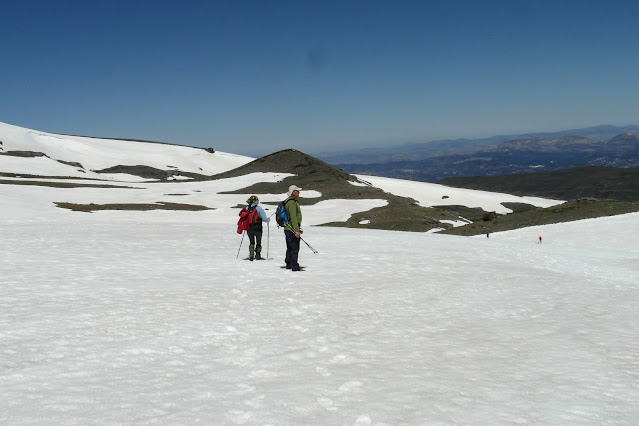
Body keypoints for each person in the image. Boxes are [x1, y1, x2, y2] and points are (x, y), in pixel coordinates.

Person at [283, 185, 303, 271]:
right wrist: (296, 230)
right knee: (295, 248)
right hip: (292, 229)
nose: (299, 193)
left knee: (290, 247)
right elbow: (293, 217)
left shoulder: (287, 201)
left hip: (288, 228)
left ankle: (289, 264)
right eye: (297, 191)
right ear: (293, 192)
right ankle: (294, 266)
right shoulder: (291, 202)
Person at [245, 195, 269, 261]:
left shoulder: (247, 208)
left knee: (251, 242)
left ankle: (251, 254)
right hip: (258, 228)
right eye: (257, 200)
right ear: (255, 201)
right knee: (258, 241)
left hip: (249, 228)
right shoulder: (259, 209)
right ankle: (258, 254)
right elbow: (264, 219)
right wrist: (268, 220)